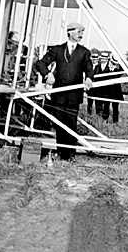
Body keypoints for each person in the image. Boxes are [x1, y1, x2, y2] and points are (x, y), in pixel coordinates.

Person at [35, 22, 93, 160]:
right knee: (60, 124)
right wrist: (47, 74)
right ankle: (61, 152)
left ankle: (70, 154)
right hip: (59, 94)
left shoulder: (84, 52)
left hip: (74, 95)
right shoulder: (57, 50)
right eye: (78, 32)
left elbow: (89, 69)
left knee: (71, 124)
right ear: (70, 32)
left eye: (82, 32)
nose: (81, 35)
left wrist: (89, 78)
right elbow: (40, 63)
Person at [102, 54, 124, 123]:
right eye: (113, 62)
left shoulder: (118, 70)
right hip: (106, 90)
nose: (113, 63)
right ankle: (105, 119)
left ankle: (115, 121)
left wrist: (119, 61)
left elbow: (122, 69)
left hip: (116, 91)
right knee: (106, 106)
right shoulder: (106, 68)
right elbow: (102, 73)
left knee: (115, 107)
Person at [87, 51, 109, 116]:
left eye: (95, 59)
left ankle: (98, 115)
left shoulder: (99, 67)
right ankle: (89, 114)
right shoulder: (90, 66)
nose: (94, 60)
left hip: (99, 89)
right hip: (90, 88)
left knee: (98, 103)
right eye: (93, 59)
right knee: (89, 102)